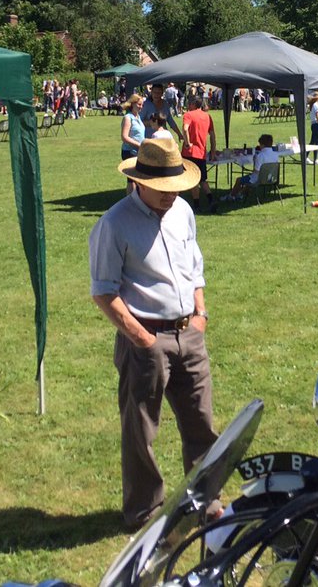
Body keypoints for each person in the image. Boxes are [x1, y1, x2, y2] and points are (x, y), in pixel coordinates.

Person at [88, 137, 218, 532]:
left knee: (202, 424)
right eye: (162, 188)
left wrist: (200, 315)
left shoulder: (183, 212)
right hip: (145, 340)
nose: (170, 195)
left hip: (189, 334)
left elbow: (194, 267)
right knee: (140, 430)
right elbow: (104, 291)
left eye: (175, 186)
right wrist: (142, 338)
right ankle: (144, 511)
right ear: (139, 181)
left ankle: (207, 501)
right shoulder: (114, 223)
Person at [182, 97, 218, 213]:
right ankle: (211, 199)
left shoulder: (188, 115)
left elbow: (185, 128)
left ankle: (196, 205)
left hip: (190, 152)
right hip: (201, 152)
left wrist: (187, 143)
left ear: (192, 104)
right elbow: (212, 135)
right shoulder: (207, 116)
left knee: (193, 179)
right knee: (203, 179)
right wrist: (213, 150)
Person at [223, 134, 281, 201]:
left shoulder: (260, 156)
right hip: (272, 178)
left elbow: (256, 171)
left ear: (262, 145)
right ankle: (240, 194)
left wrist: (254, 162)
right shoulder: (276, 155)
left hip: (260, 179)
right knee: (249, 179)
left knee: (239, 180)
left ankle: (231, 196)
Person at [121, 96, 147, 193]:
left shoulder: (138, 117)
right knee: (131, 179)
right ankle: (131, 201)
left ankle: (136, 199)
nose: (141, 107)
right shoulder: (128, 117)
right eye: (139, 104)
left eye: (142, 105)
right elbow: (124, 137)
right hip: (130, 152)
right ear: (132, 104)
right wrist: (139, 145)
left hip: (139, 151)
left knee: (137, 178)